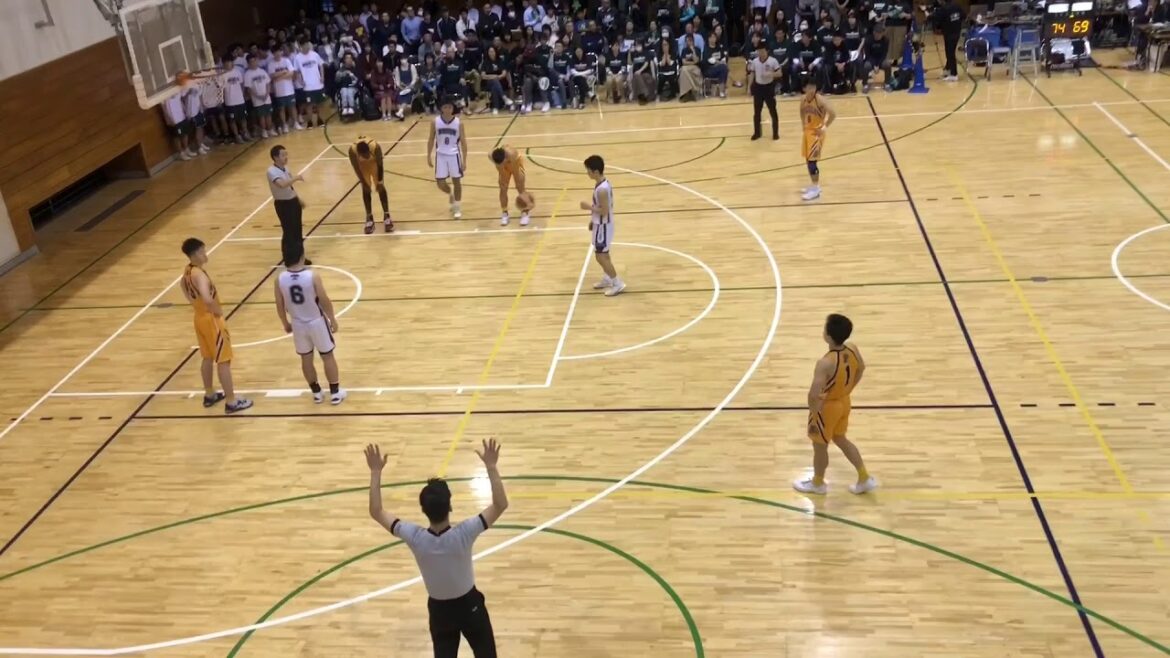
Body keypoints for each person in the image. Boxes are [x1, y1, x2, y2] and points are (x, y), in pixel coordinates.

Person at [365, 438, 507, 658]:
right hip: (470, 607)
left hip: (440, 613)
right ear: (450, 505)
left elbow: (376, 511)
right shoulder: (465, 533)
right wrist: (491, 466)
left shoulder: (415, 537)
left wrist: (375, 472)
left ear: (423, 509)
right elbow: (500, 505)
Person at [793, 314, 877, 495]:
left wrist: (815, 415)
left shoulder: (825, 363)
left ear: (828, 337)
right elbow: (861, 368)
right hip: (844, 401)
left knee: (820, 446)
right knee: (840, 438)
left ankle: (818, 483)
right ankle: (864, 478)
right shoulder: (852, 348)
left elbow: (814, 394)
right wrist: (848, 389)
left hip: (828, 408)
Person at [180, 238, 253, 415]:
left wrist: (194, 304)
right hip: (212, 320)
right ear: (196, 254)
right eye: (203, 251)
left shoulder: (188, 271)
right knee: (223, 360)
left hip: (199, 318)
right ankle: (231, 401)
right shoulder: (199, 274)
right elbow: (206, 298)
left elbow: (182, 285)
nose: (206, 254)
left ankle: (210, 394)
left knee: (207, 357)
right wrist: (217, 311)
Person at [275, 243, 346, 405]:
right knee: (327, 356)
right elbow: (324, 300)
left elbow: (279, 305)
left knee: (306, 359)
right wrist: (332, 319)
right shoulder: (312, 276)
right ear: (302, 255)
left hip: (298, 324)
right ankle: (335, 393)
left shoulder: (279, 279)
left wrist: (285, 322)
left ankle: (316, 393)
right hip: (316, 321)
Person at [580, 155, 625, 297]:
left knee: (601, 256)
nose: (587, 173)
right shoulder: (602, 184)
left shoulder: (602, 190)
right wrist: (593, 221)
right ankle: (607, 278)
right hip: (600, 225)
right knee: (603, 254)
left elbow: (604, 211)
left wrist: (588, 207)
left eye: (588, 170)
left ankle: (617, 283)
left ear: (596, 172)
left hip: (604, 226)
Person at [268, 145, 312, 265]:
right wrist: (296, 178)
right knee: (288, 231)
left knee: (297, 230)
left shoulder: (285, 169)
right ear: (275, 157)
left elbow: (290, 187)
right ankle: (288, 258)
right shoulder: (271, 171)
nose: (286, 157)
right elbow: (281, 184)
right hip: (283, 205)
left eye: (286, 155)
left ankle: (300, 256)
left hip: (293, 202)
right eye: (283, 155)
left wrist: (298, 199)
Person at [428, 99, 468, 219]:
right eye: (445, 107)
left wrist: (464, 160)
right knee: (440, 184)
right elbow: (430, 139)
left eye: (449, 107)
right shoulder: (435, 122)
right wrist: (428, 156)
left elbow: (464, 142)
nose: (447, 109)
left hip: (454, 155)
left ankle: (457, 206)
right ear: (441, 108)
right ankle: (450, 193)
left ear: (452, 108)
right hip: (440, 155)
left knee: (457, 182)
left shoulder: (458, 123)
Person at [799, 75, 835, 200]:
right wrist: (803, 124)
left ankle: (816, 189)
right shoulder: (803, 99)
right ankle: (813, 186)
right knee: (808, 160)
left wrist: (824, 127)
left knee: (812, 163)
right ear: (804, 88)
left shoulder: (819, 100)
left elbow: (833, 114)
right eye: (809, 87)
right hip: (808, 132)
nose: (812, 89)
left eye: (813, 87)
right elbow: (802, 111)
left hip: (817, 134)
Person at [349, 136, 394, 234]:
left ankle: (387, 216)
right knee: (365, 190)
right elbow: (356, 168)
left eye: (367, 154)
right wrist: (363, 182)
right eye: (364, 156)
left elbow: (380, 164)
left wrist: (380, 181)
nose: (366, 157)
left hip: (374, 164)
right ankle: (369, 217)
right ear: (359, 153)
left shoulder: (375, 147)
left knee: (381, 188)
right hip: (362, 167)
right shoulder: (352, 151)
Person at [490, 145, 533, 226]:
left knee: (520, 186)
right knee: (503, 188)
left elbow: (516, 175)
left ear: (505, 158)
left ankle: (525, 212)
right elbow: (501, 170)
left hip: (515, 164)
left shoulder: (512, 155)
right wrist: (501, 169)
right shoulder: (491, 156)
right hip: (504, 166)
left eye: (502, 163)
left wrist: (518, 185)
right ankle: (504, 213)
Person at [747, 44, 780, 141]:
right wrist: (749, 87)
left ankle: (775, 133)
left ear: (767, 51)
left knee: (773, 111)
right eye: (759, 51)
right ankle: (757, 133)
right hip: (758, 88)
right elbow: (752, 74)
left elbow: (779, 73)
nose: (760, 53)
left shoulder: (773, 61)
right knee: (757, 112)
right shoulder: (755, 62)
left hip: (769, 88)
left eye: (762, 51)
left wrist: (771, 74)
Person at [294, 38, 328, 127]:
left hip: (318, 84)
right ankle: (310, 122)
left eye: (308, 44)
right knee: (309, 104)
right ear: (301, 46)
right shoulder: (298, 58)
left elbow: (321, 65)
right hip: (307, 86)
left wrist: (322, 77)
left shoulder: (315, 54)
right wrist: (300, 81)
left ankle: (320, 120)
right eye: (305, 45)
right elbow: (296, 71)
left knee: (319, 103)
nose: (307, 46)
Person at [930, 0, 964, 81]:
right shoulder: (957, 6)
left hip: (949, 33)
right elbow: (963, 16)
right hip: (956, 32)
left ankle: (954, 74)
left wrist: (929, 15)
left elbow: (936, 18)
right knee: (949, 52)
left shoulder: (944, 9)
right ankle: (948, 69)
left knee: (950, 53)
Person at [243, 53, 276, 137]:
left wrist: (267, 93)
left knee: (268, 114)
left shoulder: (262, 71)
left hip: (266, 97)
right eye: (251, 62)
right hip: (257, 99)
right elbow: (249, 89)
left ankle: (270, 130)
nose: (253, 63)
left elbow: (268, 83)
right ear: (248, 63)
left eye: (254, 61)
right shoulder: (247, 74)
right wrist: (258, 96)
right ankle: (264, 131)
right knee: (261, 116)